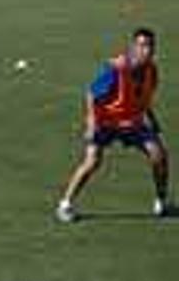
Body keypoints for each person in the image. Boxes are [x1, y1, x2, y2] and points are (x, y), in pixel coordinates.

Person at [56, 27, 171, 222]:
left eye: (150, 46)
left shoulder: (152, 71)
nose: (147, 50)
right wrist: (91, 123)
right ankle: (65, 205)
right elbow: (92, 94)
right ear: (133, 47)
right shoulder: (116, 68)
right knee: (92, 161)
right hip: (106, 121)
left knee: (159, 155)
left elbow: (143, 99)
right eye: (142, 46)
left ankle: (161, 202)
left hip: (132, 122)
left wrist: (153, 123)